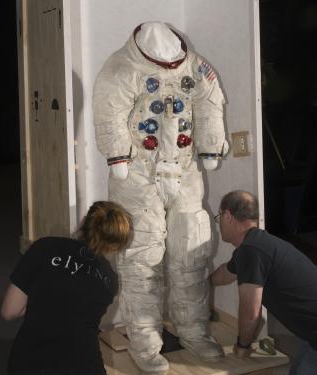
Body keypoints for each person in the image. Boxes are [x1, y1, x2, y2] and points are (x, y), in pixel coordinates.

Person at [92, 21, 228, 373]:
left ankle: (194, 331)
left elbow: (210, 105)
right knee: (141, 260)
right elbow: (109, 111)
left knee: (191, 254)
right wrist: (117, 154)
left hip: (184, 173)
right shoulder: (121, 67)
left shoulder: (196, 66)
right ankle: (145, 342)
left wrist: (212, 147)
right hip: (138, 175)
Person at [210, 190, 317, 375]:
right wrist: (200, 283)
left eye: (219, 217)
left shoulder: (251, 252)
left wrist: (243, 345)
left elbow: (251, 314)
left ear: (227, 216)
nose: (219, 224)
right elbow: (225, 274)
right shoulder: (255, 245)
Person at [1, 201, 131, 375]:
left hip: (31, 365)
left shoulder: (45, 247)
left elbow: (9, 311)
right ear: (115, 245)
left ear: (84, 222)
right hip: (85, 367)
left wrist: (42, 297)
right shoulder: (111, 281)